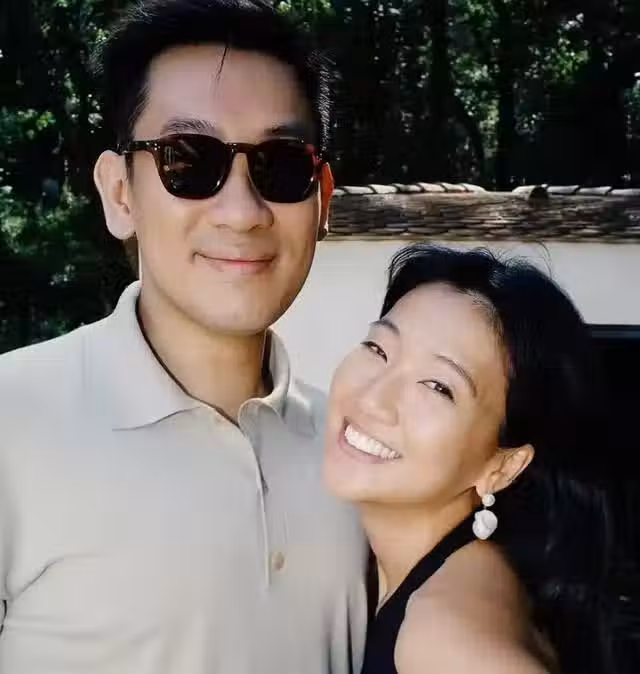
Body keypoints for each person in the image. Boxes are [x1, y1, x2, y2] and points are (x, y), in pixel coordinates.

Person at [0, 1, 368, 672]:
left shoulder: (357, 452)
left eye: (282, 164)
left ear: (322, 198)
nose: (242, 210)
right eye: (188, 160)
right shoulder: (12, 419)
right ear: (120, 194)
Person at [324, 244, 617, 674]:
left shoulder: (444, 637)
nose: (373, 398)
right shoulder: (458, 572)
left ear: (503, 466)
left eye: (438, 387)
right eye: (378, 348)